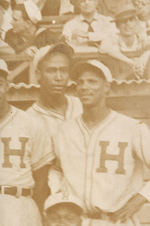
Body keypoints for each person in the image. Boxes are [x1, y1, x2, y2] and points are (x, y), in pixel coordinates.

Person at [49, 59, 150, 226]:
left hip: (117, 220)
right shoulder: (65, 130)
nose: (84, 87)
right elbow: (56, 169)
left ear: (107, 88)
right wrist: (58, 192)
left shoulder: (131, 128)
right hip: (78, 220)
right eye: (80, 82)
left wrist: (139, 199)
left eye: (92, 81)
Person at [0, 58, 54, 226]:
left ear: (7, 86)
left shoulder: (31, 122)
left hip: (19, 203)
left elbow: (41, 178)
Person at [99, 4, 150, 80]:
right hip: (119, 81)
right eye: (123, 21)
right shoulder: (112, 39)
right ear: (117, 26)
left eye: (131, 20)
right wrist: (131, 63)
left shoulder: (141, 38)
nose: (128, 24)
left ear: (136, 22)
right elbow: (104, 48)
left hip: (142, 80)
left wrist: (141, 60)